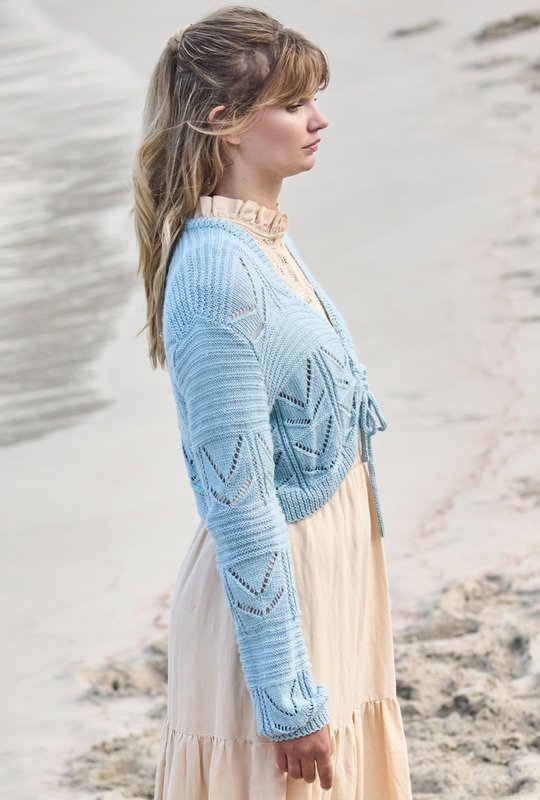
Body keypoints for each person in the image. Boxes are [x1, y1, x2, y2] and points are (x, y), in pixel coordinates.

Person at [132, 5, 413, 798]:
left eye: (315, 98)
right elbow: (241, 504)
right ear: (223, 123)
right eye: (293, 104)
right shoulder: (217, 277)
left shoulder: (260, 242)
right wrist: (287, 700)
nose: (319, 119)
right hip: (274, 619)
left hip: (330, 591)